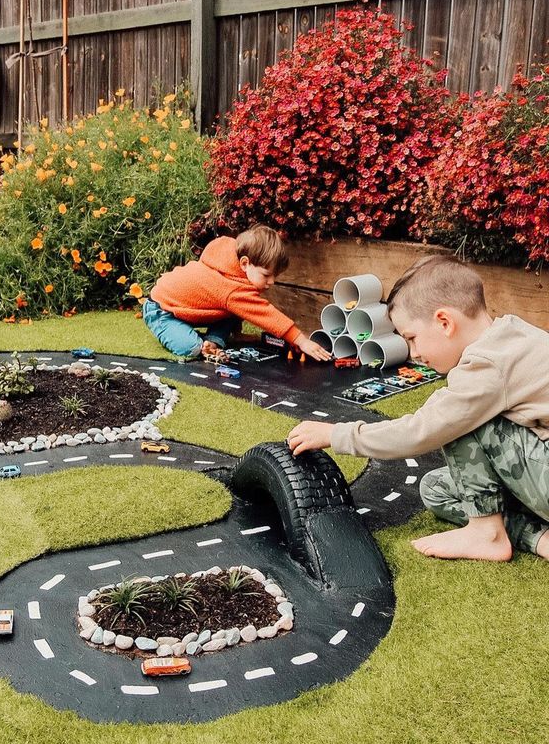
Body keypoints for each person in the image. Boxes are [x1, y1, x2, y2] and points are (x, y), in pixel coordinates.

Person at [286, 255, 549, 563]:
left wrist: (338, 434)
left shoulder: (488, 366)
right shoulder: (510, 334)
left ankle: (487, 534)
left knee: (461, 421)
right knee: (436, 488)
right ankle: (538, 536)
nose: (414, 353)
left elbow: (423, 430)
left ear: (444, 322)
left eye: (411, 338)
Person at [143, 224, 331, 362]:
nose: (272, 282)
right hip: (161, 311)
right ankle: (203, 342)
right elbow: (264, 313)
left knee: (233, 308)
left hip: (190, 310)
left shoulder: (232, 264)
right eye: (266, 275)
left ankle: (218, 339)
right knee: (190, 348)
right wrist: (301, 341)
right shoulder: (231, 287)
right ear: (244, 263)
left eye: (275, 276)